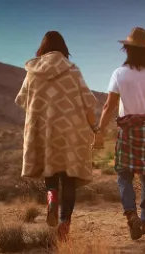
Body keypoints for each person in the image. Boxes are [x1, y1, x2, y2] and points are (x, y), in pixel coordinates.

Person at [15, 31, 99, 241]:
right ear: (64, 48)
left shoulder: (32, 72)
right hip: (70, 132)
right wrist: (93, 127)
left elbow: (25, 100)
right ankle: (64, 223)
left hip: (44, 131)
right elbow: (88, 102)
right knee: (69, 178)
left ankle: (51, 198)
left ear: (42, 48)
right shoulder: (73, 71)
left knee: (50, 171)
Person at [94, 27, 145, 240]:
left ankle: (131, 216)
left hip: (128, 130)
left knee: (123, 175)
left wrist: (99, 132)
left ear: (128, 50)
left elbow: (108, 106)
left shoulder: (119, 74)